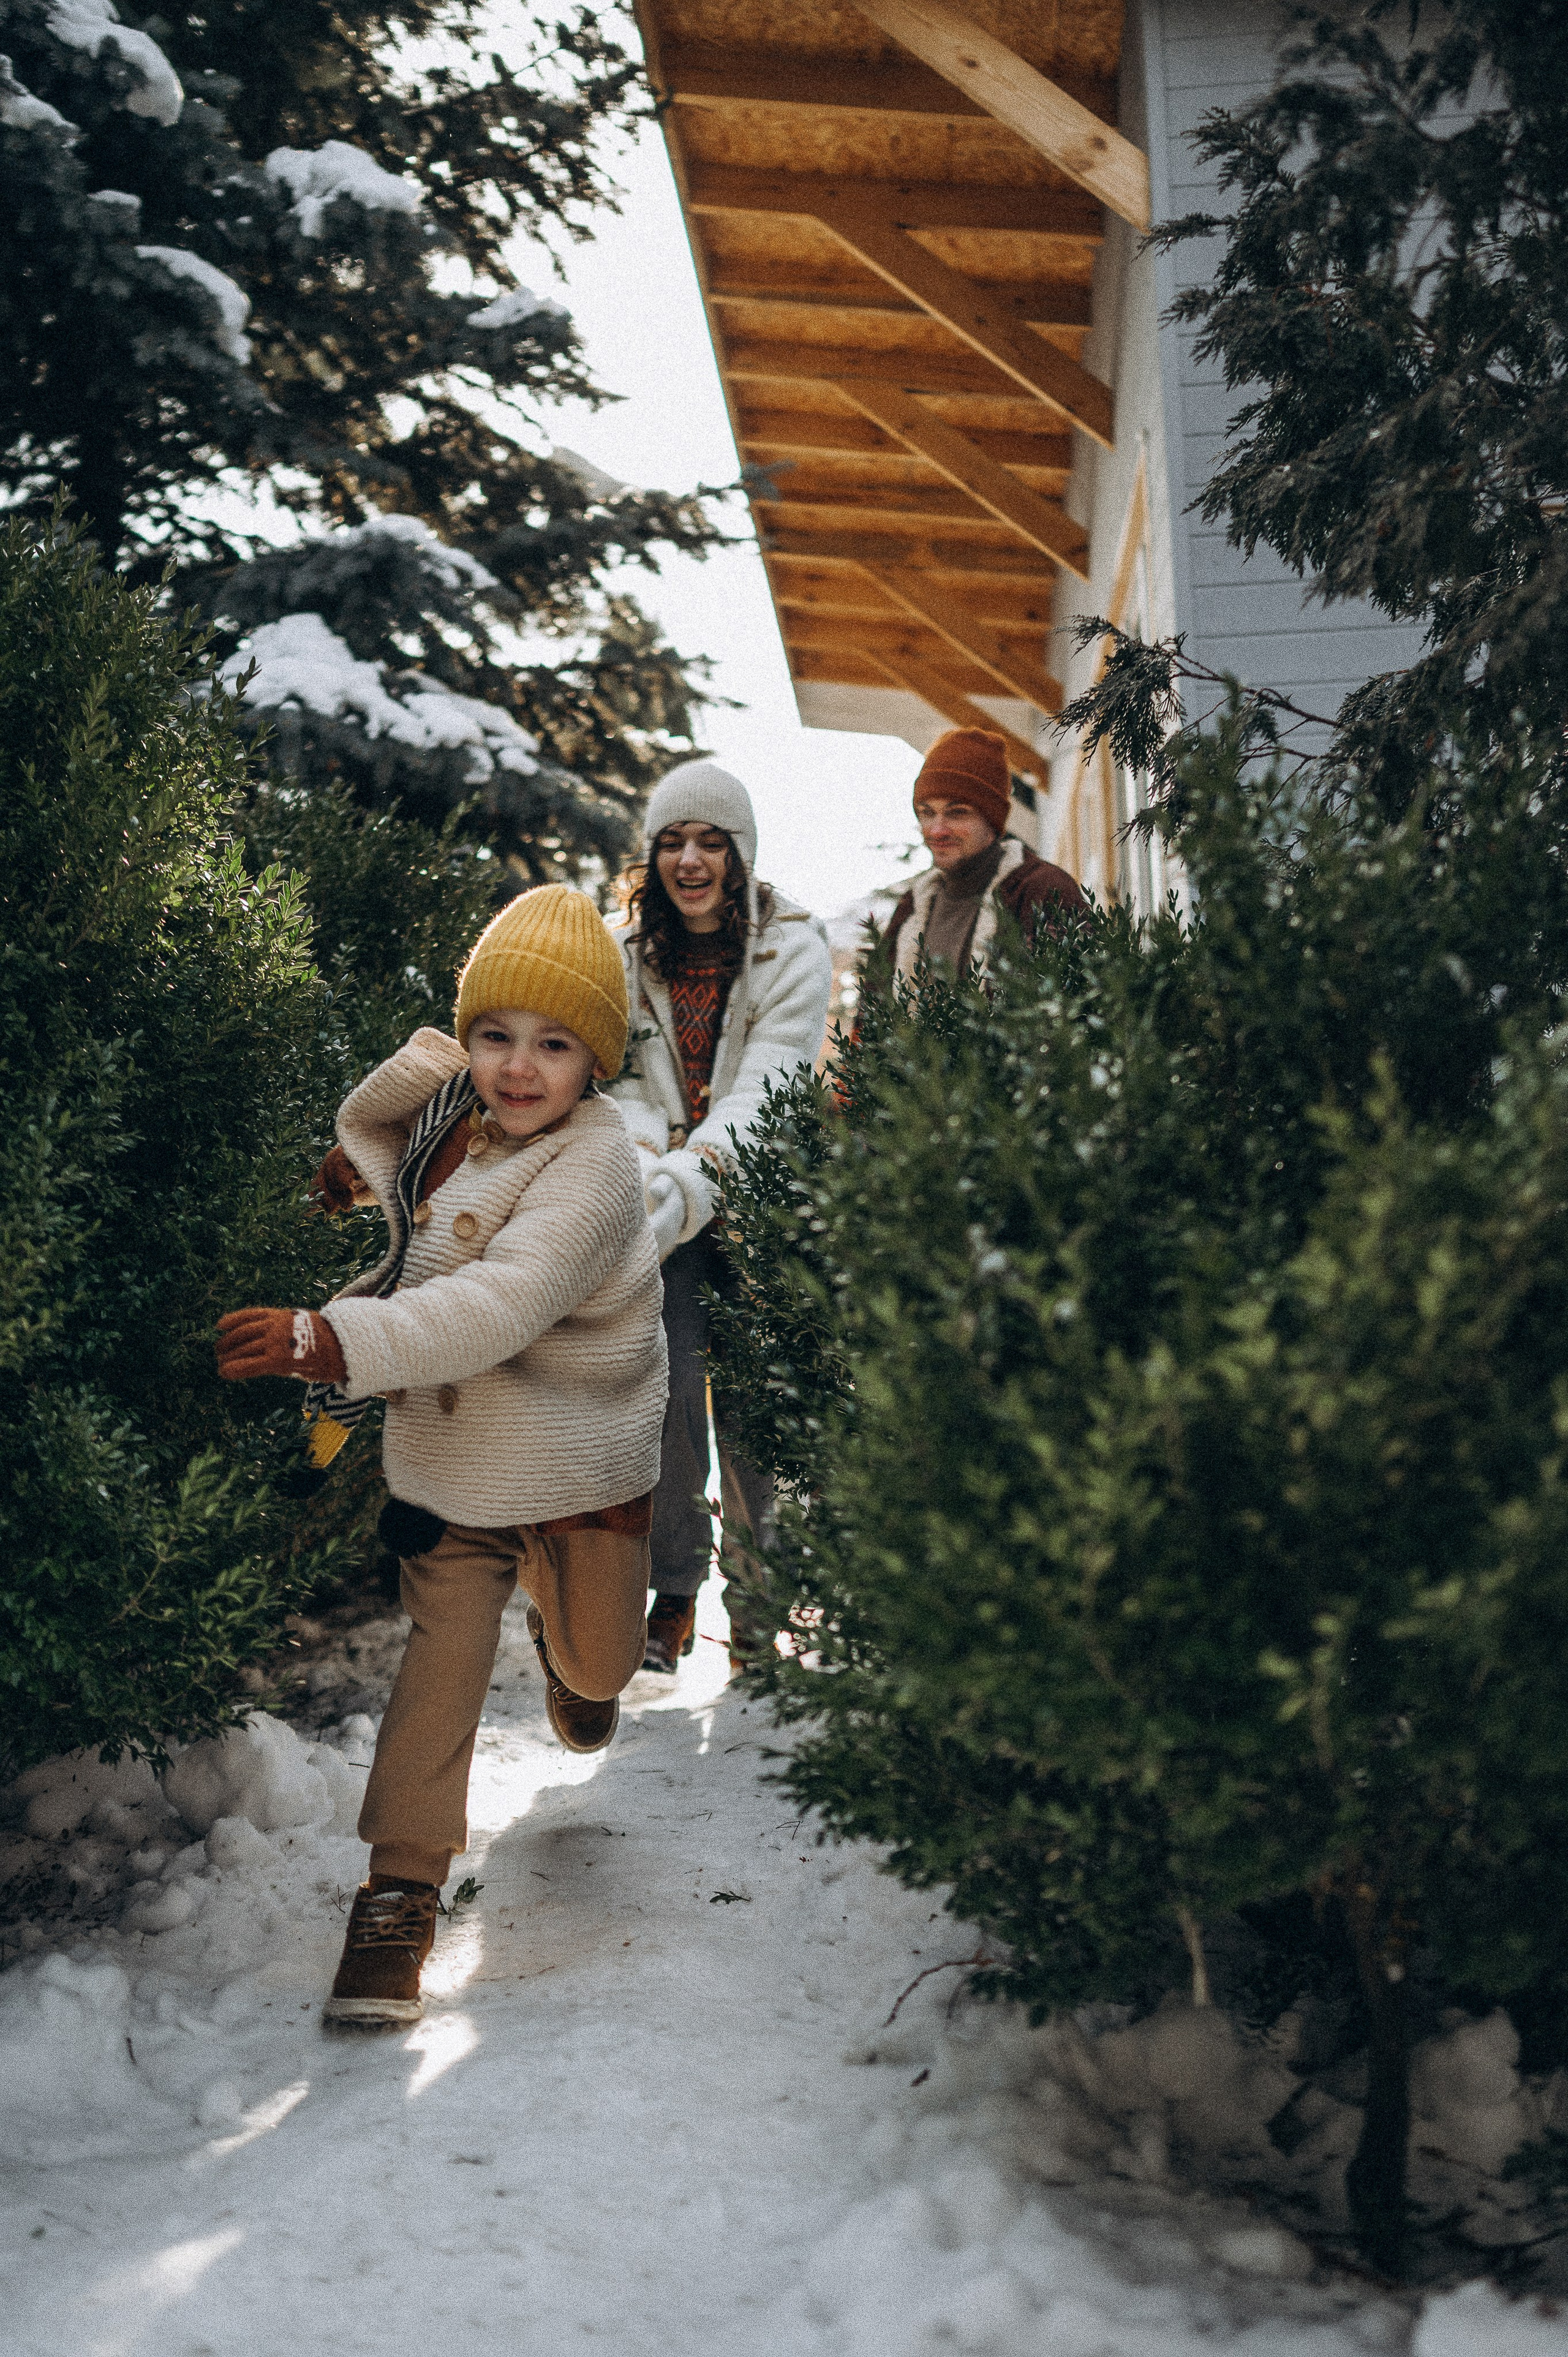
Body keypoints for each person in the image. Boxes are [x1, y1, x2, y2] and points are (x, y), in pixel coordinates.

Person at [214, 884, 667, 2028]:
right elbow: (416, 1178)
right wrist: (355, 1169)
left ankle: (567, 1643)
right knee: (442, 1651)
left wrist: (332, 1340)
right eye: (496, 1035)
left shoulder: (596, 1168)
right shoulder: (449, 1112)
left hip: (574, 1457)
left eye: (555, 1044)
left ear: (595, 1063)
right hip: (458, 1453)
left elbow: (494, 1303)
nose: (518, 1067)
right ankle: (398, 1892)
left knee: (602, 1669)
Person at [612, 759, 832, 1675]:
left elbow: (765, 1088)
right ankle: (673, 1593)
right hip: (658, 1207)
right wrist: (649, 1166)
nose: (690, 861)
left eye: (710, 842)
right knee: (662, 1398)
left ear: (740, 852)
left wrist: (688, 1177)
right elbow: (617, 1078)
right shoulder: (621, 952)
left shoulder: (794, 949)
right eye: (672, 843)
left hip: (758, 1203)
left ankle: (758, 1607)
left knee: (753, 1415)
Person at [865, 727, 1085, 989]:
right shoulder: (914, 904)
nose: (937, 830)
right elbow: (874, 1003)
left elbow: (1074, 999)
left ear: (992, 819)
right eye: (927, 813)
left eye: (957, 813)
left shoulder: (1041, 890)